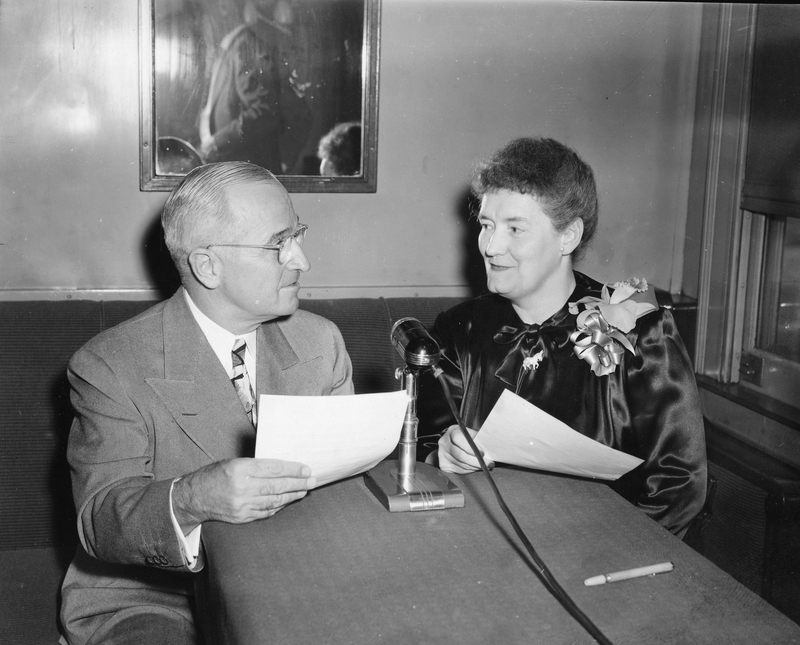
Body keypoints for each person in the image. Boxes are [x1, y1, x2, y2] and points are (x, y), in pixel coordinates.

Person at [59, 161, 353, 645]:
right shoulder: (110, 364)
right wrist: (193, 498)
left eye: (297, 234)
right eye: (280, 243)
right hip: (153, 597)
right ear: (207, 265)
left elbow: (344, 490)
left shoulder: (321, 342)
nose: (301, 259)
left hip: (297, 581)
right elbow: (100, 519)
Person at [419, 137, 707, 538]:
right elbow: (422, 445)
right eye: (486, 225)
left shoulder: (643, 331)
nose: (490, 246)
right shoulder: (457, 330)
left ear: (568, 236)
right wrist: (441, 453)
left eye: (515, 228)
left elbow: (677, 484)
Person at [198, 0, 312, 174]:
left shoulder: (245, 47)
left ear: (225, 9)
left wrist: (217, 142)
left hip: (245, 172)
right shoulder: (230, 47)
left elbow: (264, 110)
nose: (201, 20)